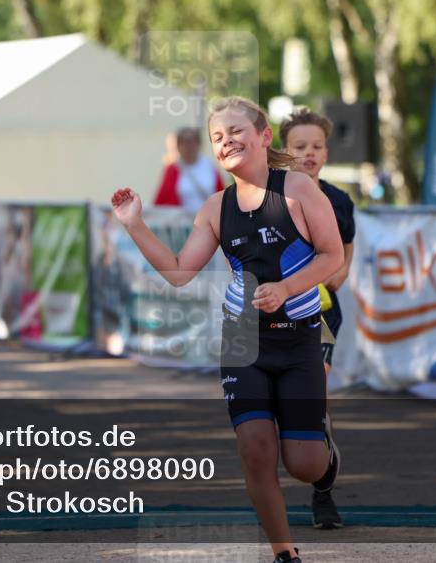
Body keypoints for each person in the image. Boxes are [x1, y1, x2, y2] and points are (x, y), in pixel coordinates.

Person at [112, 97, 344, 563]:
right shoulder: (216, 208)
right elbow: (179, 273)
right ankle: (285, 553)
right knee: (255, 448)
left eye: (235, 131)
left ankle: (326, 458)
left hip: (298, 338)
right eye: (218, 137)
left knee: (304, 464)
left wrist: (284, 288)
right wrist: (135, 224)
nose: (226, 142)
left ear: (263, 137)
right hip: (242, 340)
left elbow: (332, 257)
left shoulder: (297, 189)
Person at [281, 108, 357, 528]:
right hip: (273, 312)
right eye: (300, 147)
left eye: (316, 147)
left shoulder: (340, 201)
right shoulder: (270, 197)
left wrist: (334, 276)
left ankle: (322, 494)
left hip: (321, 311)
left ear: (327, 152)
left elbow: (345, 255)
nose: (309, 154)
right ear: (283, 151)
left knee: (315, 398)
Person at [153, 126, 225, 211]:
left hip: (209, 218)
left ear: (199, 143)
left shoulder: (210, 166)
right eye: (184, 142)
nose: (188, 146)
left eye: (192, 141)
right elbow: (161, 200)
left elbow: (222, 195)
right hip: (183, 221)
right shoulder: (172, 169)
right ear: (178, 146)